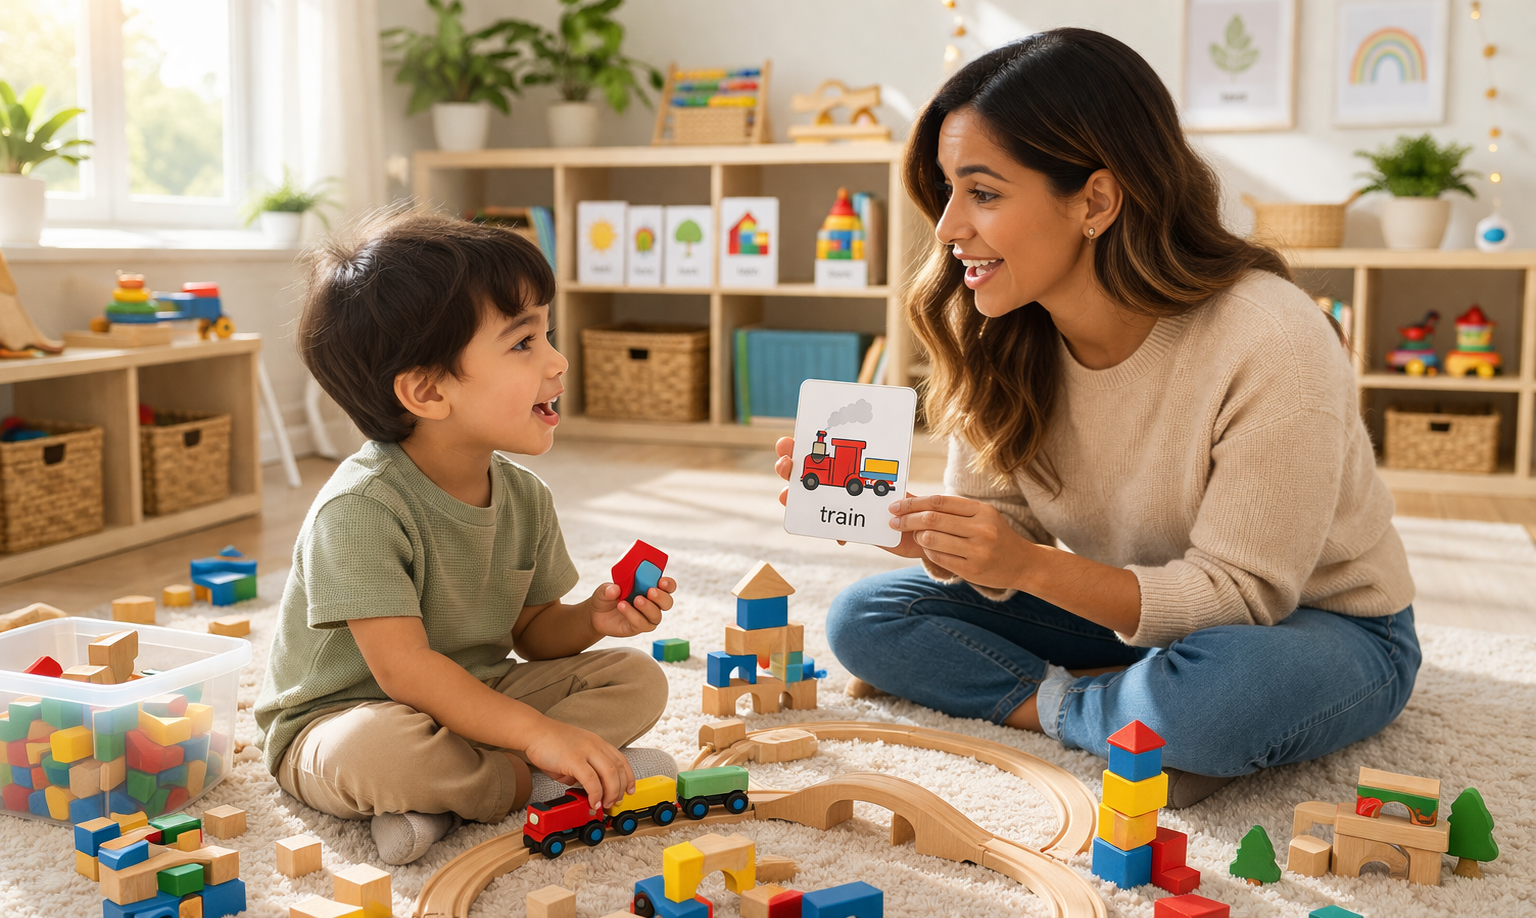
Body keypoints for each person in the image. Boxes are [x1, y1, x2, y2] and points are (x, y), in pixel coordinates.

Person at [779, 29, 1418, 807]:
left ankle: (1115, 706)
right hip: (1120, 606)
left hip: (1317, 625)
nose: (947, 228)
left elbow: (1243, 597)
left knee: (1216, 699)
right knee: (866, 617)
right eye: (947, 191)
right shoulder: (1001, 324)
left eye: (982, 193)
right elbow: (1005, 530)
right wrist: (930, 534)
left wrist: (1025, 568)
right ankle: (1117, 710)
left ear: (1096, 200)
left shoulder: (1273, 337)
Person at [255, 212, 675, 864]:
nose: (558, 361)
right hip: (346, 717)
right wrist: (537, 737)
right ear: (426, 390)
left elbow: (532, 632)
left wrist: (592, 618)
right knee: (377, 751)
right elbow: (407, 673)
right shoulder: (361, 509)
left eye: (548, 333)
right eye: (522, 344)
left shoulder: (524, 496)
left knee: (638, 680)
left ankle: (446, 806)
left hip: (476, 697)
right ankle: (530, 782)